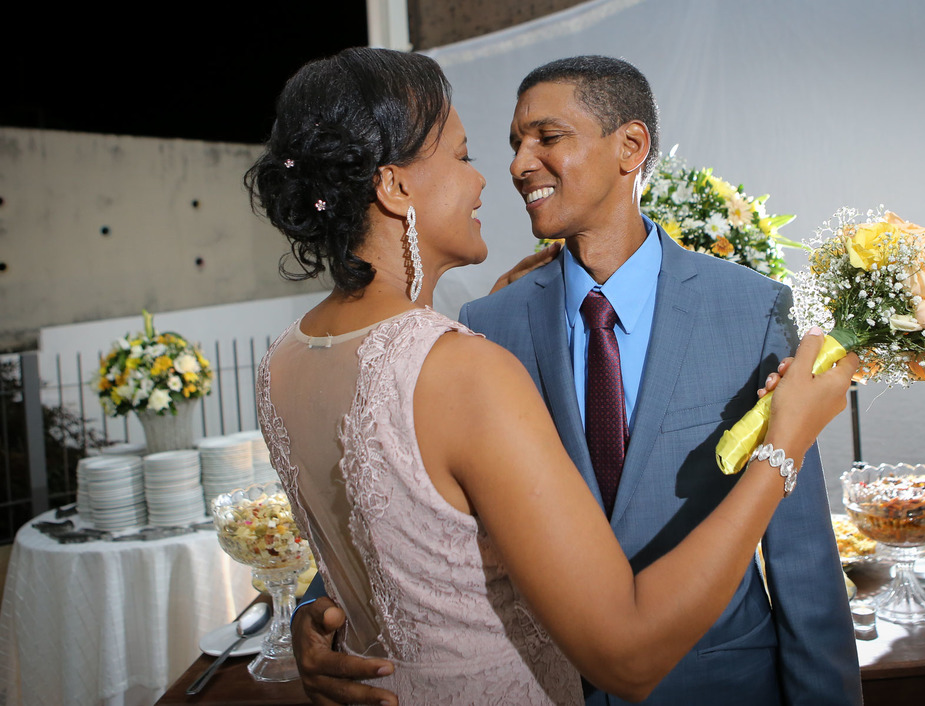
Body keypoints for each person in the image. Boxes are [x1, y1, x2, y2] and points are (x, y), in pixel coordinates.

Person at [252, 49, 858, 706]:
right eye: (504, 146)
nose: (513, 166)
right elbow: (394, 502)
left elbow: (802, 557)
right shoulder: (483, 330)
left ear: (630, 147)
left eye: (546, 138)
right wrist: (326, 606)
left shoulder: (752, 307)